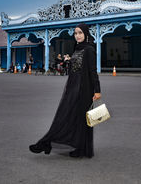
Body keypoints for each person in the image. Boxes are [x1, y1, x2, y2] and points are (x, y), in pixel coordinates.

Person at [29, 23, 101, 158]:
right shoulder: (77, 48)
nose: (78, 36)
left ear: (86, 34)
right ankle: (48, 142)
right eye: (75, 33)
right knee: (66, 115)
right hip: (73, 87)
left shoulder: (89, 49)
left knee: (82, 119)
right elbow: (75, 68)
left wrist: (97, 90)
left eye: (80, 33)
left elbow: (92, 71)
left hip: (84, 89)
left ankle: (81, 149)